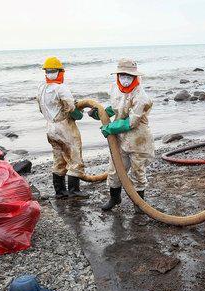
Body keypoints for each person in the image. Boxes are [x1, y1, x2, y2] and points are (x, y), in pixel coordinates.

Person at [89, 58, 155, 212]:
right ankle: (114, 198)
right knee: (115, 169)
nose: (125, 78)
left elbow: (131, 122)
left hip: (138, 138)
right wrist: (101, 113)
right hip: (120, 139)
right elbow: (116, 108)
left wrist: (110, 127)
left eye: (129, 75)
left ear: (135, 77)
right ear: (117, 75)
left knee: (138, 171)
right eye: (122, 75)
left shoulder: (141, 97)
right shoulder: (114, 88)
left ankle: (139, 203)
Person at [37, 56, 89, 199]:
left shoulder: (41, 88)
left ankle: (60, 192)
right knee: (74, 157)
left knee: (58, 158)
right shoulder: (61, 88)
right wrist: (79, 113)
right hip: (64, 127)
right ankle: (74, 190)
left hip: (50, 128)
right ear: (61, 72)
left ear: (46, 72)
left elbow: (41, 108)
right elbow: (71, 108)